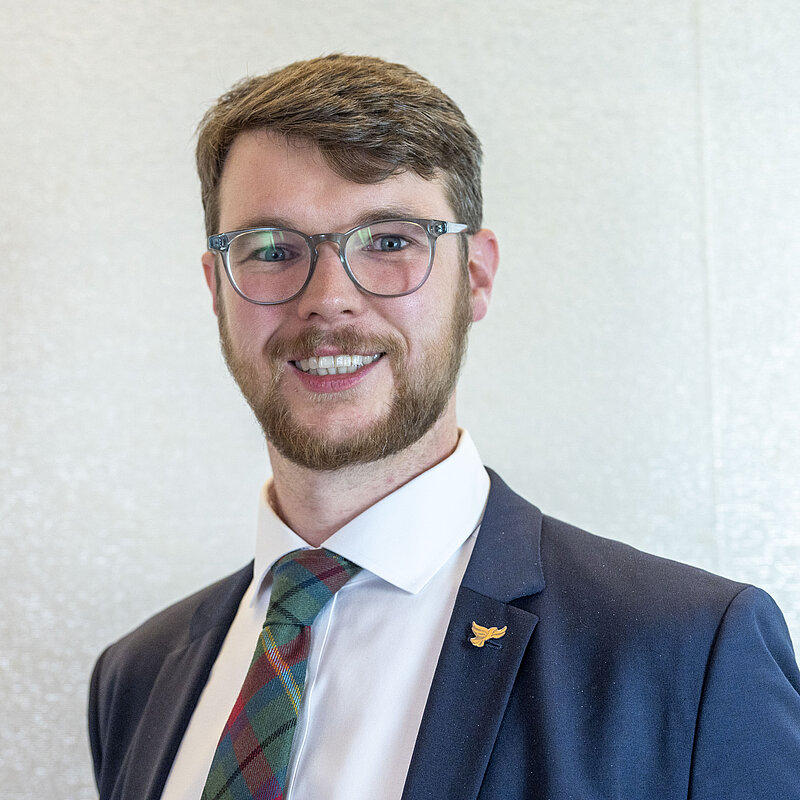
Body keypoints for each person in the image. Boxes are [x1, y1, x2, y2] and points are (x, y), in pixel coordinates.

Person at [88, 54, 800, 800]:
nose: (329, 300)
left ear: (477, 276)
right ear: (216, 289)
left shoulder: (687, 654)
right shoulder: (136, 677)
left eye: (390, 241)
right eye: (272, 250)